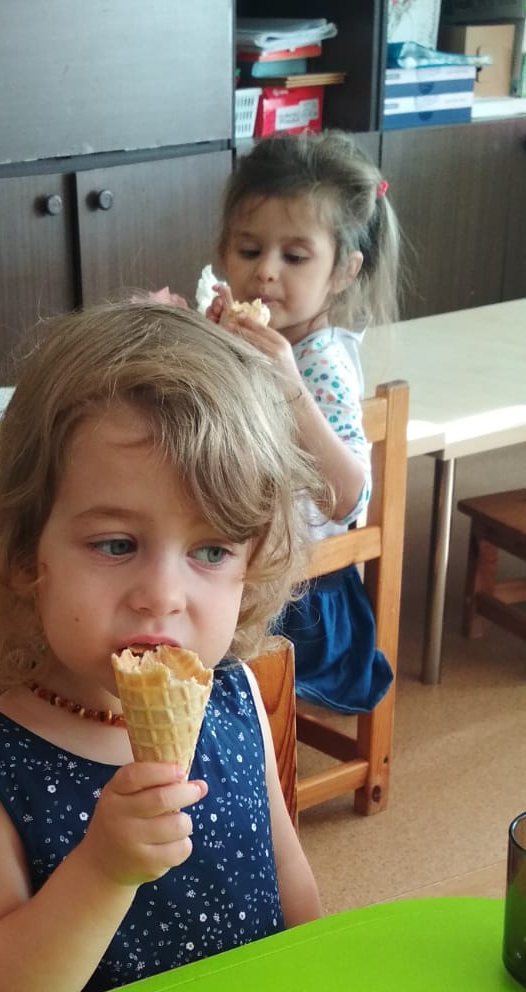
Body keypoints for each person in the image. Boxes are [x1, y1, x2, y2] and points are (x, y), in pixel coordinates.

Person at [0, 300, 322, 992]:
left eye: (211, 551)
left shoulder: (236, 699)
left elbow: (292, 892)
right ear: (25, 555)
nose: (162, 595)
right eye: (115, 544)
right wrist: (103, 871)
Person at [201, 130, 401, 715]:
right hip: (244, 569)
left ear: (343, 271)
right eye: (249, 250)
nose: (266, 272)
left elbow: (349, 496)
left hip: (303, 602)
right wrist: (207, 344)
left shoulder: (319, 362)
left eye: (294, 257)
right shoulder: (249, 338)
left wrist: (287, 384)